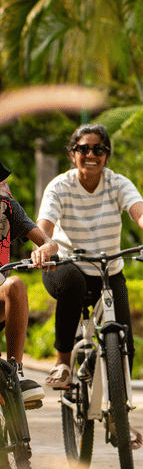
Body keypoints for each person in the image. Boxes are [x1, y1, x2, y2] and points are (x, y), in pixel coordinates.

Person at [37, 123, 143, 449]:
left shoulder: (117, 184)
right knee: (71, 284)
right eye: (84, 149)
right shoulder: (60, 187)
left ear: (106, 156)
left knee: (125, 342)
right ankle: (63, 363)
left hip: (110, 271)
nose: (91, 154)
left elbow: (140, 212)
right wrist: (44, 245)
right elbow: (45, 227)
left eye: (98, 149)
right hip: (64, 267)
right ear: (73, 155)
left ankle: (117, 415)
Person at [0, 161, 58, 407]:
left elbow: (48, 242)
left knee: (15, 284)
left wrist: (44, 250)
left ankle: (16, 372)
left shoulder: (8, 208)